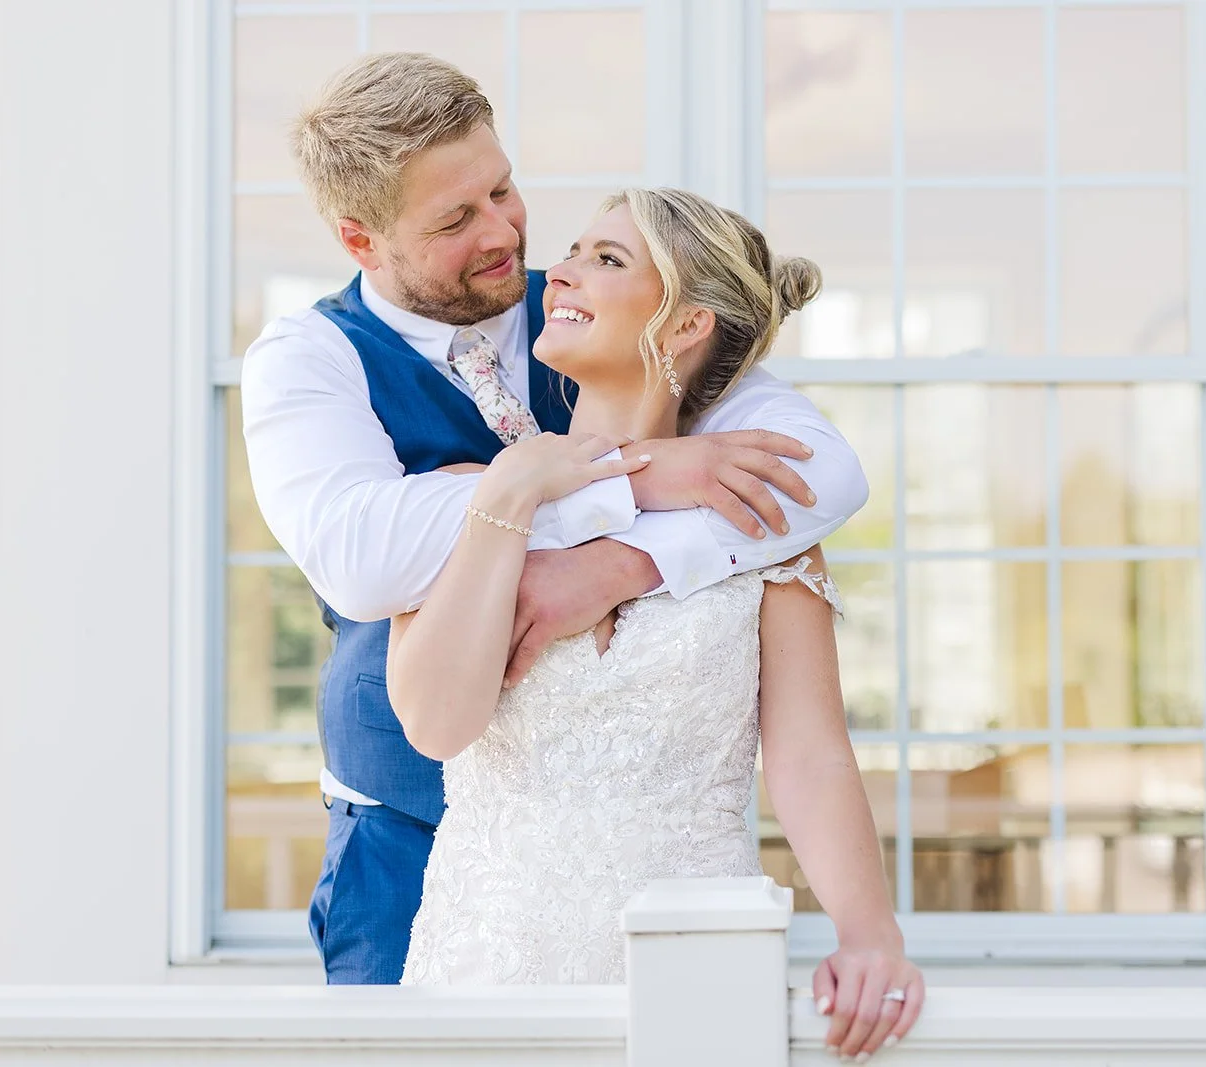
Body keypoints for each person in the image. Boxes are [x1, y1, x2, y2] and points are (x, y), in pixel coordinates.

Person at [240, 52, 868, 986]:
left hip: (668, 891)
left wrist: (619, 566)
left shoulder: (599, 308)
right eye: (456, 219)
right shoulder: (308, 358)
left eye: (502, 189)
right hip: (410, 847)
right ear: (361, 240)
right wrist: (629, 481)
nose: (505, 235)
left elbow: (824, 474)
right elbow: (364, 562)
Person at [388, 188, 923, 1061]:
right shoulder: (467, 496)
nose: (557, 270)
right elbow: (436, 723)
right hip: (486, 968)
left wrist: (869, 933)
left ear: (684, 326)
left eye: (608, 259)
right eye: (572, 251)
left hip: (700, 975)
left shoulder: (763, 525)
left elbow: (810, 755)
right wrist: (514, 487)